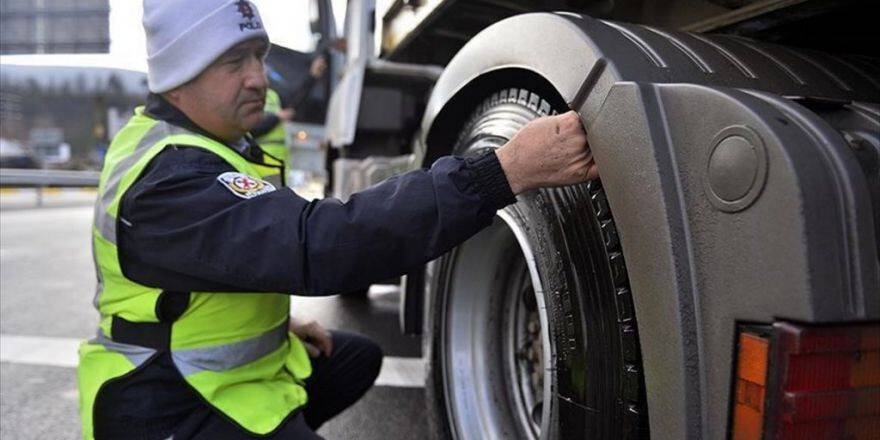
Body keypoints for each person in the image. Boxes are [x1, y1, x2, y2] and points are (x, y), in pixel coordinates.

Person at [76, 1, 598, 439]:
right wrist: (498, 173)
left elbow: (228, 261)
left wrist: (279, 325)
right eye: (234, 61)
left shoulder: (210, 142)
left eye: (258, 56)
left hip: (211, 376)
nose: (259, 77)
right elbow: (318, 245)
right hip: (164, 405)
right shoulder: (172, 175)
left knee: (356, 357)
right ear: (178, 74)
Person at [251, 56, 327, 185]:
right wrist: (276, 118)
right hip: (262, 159)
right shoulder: (248, 97)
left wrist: (312, 76)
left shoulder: (272, 95)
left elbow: (294, 103)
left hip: (279, 159)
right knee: (270, 198)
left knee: (278, 196)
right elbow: (252, 129)